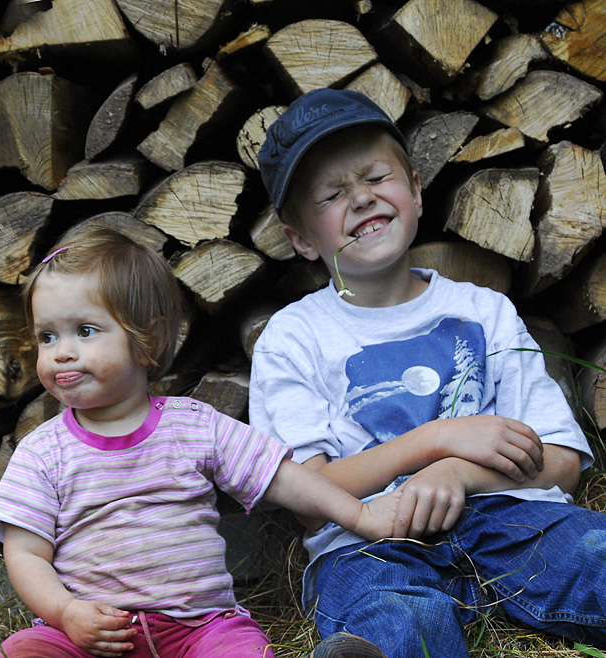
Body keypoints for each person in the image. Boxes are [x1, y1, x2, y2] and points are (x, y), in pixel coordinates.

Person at [250, 87, 606, 658]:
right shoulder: (293, 339)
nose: (362, 198)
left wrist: (458, 474)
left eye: (375, 177)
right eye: (333, 193)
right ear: (300, 239)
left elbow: (561, 464)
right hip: (368, 539)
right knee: (396, 617)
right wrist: (435, 440)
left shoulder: (483, 311)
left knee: (593, 552)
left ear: (415, 189)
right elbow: (307, 492)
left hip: (510, 517)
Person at [0, 228, 404, 658]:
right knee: (24, 651)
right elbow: (26, 554)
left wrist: (361, 514)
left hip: (198, 631)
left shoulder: (194, 427)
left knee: (239, 650)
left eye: (85, 330)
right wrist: (66, 612)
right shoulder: (41, 452)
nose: (61, 352)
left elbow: (284, 479)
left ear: (150, 340)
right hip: (90, 637)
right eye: (47, 336)